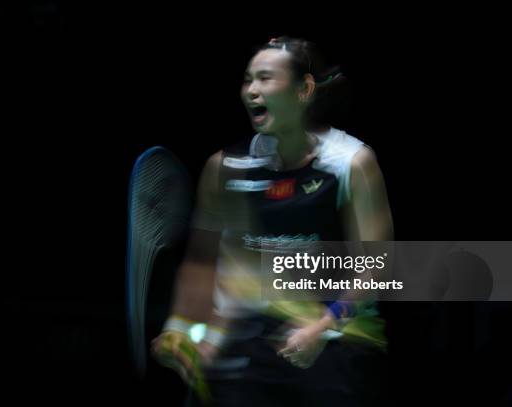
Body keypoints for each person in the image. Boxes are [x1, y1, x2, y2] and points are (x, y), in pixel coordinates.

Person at [151, 36, 394, 406]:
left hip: (341, 333)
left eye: (265, 79)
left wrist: (324, 327)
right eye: (247, 80)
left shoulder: (351, 163)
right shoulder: (227, 168)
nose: (252, 91)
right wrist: (181, 327)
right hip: (256, 336)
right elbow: (204, 261)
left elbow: (378, 264)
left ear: (304, 90)